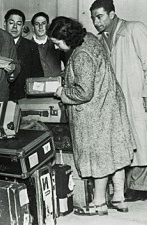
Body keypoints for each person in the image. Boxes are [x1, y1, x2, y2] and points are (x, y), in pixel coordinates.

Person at [48, 16, 136, 215]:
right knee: (115, 153)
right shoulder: (89, 38)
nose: (55, 48)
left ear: (68, 38)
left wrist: (63, 92)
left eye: (57, 43)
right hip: (110, 106)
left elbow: (84, 92)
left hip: (95, 114)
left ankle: (98, 204)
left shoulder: (81, 55)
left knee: (99, 158)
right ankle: (119, 197)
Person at [90, 0, 147, 202]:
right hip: (116, 100)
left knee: (141, 141)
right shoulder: (99, 40)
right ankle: (131, 187)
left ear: (112, 14)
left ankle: (140, 187)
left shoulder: (134, 29)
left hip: (136, 96)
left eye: (100, 16)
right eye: (93, 18)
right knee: (126, 142)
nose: (96, 22)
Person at [4, 9, 44, 100]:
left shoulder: (31, 46)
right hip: (2, 97)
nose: (15, 27)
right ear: (5, 24)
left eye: (18, 24)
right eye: (11, 23)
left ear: (23, 26)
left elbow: (37, 74)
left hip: (24, 97)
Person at [31, 12, 68, 77]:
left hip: (56, 83)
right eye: (37, 24)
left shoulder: (58, 43)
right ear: (33, 28)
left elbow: (68, 62)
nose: (40, 27)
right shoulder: (27, 46)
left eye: (43, 23)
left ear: (48, 26)